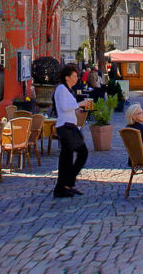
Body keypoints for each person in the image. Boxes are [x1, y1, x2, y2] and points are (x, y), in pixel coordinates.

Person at [54, 63, 91, 198]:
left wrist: (76, 109)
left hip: (69, 125)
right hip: (66, 127)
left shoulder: (68, 90)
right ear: (67, 77)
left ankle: (62, 187)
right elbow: (64, 107)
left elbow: (67, 108)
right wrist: (80, 104)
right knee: (82, 152)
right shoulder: (61, 89)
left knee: (67, 158)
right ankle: (68, 181)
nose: (77, 79)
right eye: (74, 76)